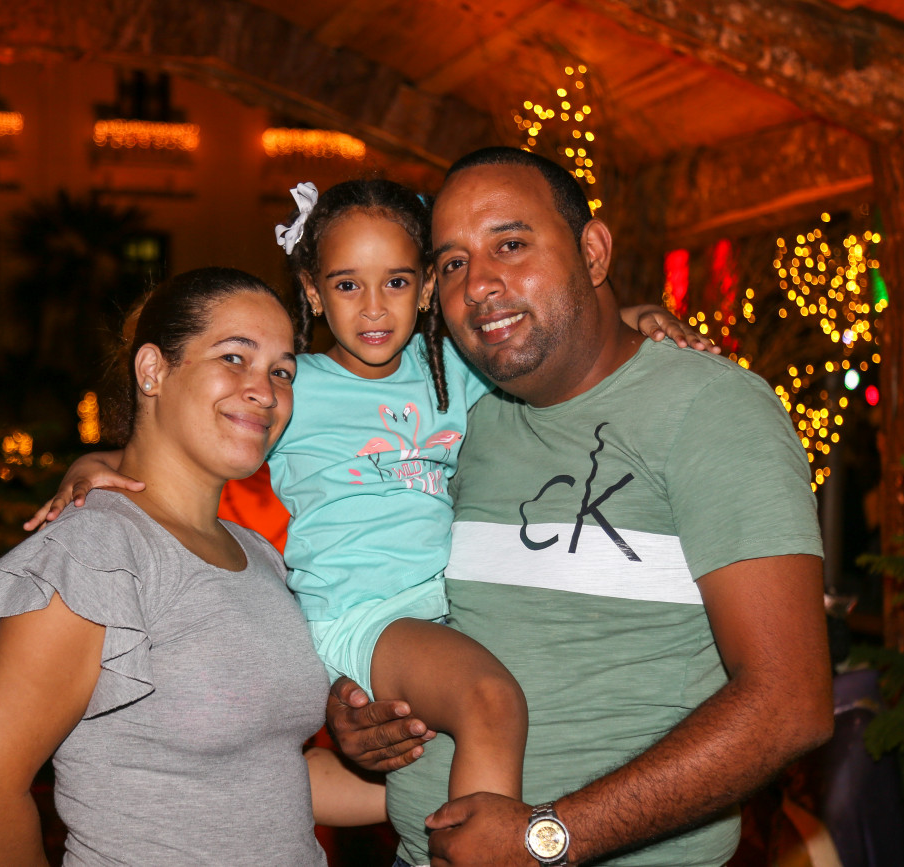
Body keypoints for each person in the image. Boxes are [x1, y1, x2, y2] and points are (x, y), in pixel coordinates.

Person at [29, 178, 711, 807]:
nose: (374, 306)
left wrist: (637, 316)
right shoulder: (297, 385)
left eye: (397, 282)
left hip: (445, 609)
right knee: (491, 701)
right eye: (348, 285)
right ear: (314, 292)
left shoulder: (457, 369)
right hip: (363, 612)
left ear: (426, 288)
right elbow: (189, 440)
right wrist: (90, 464)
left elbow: (555, 344)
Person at [327, 147, 834, 867]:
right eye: (453, 262)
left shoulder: (711, 408)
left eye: (510, 244)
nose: (478, 284)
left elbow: (790, 703)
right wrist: (360, 710)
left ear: (593, 252)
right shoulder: (459, 418)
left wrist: (546, 836)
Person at [0, 268, 382, 867]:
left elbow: (270, 778)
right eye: (234, 357)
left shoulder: (259, 554)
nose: (266, 391)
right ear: (152, 371)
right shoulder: (99, 550)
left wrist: (454, 780)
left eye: (282, 372)